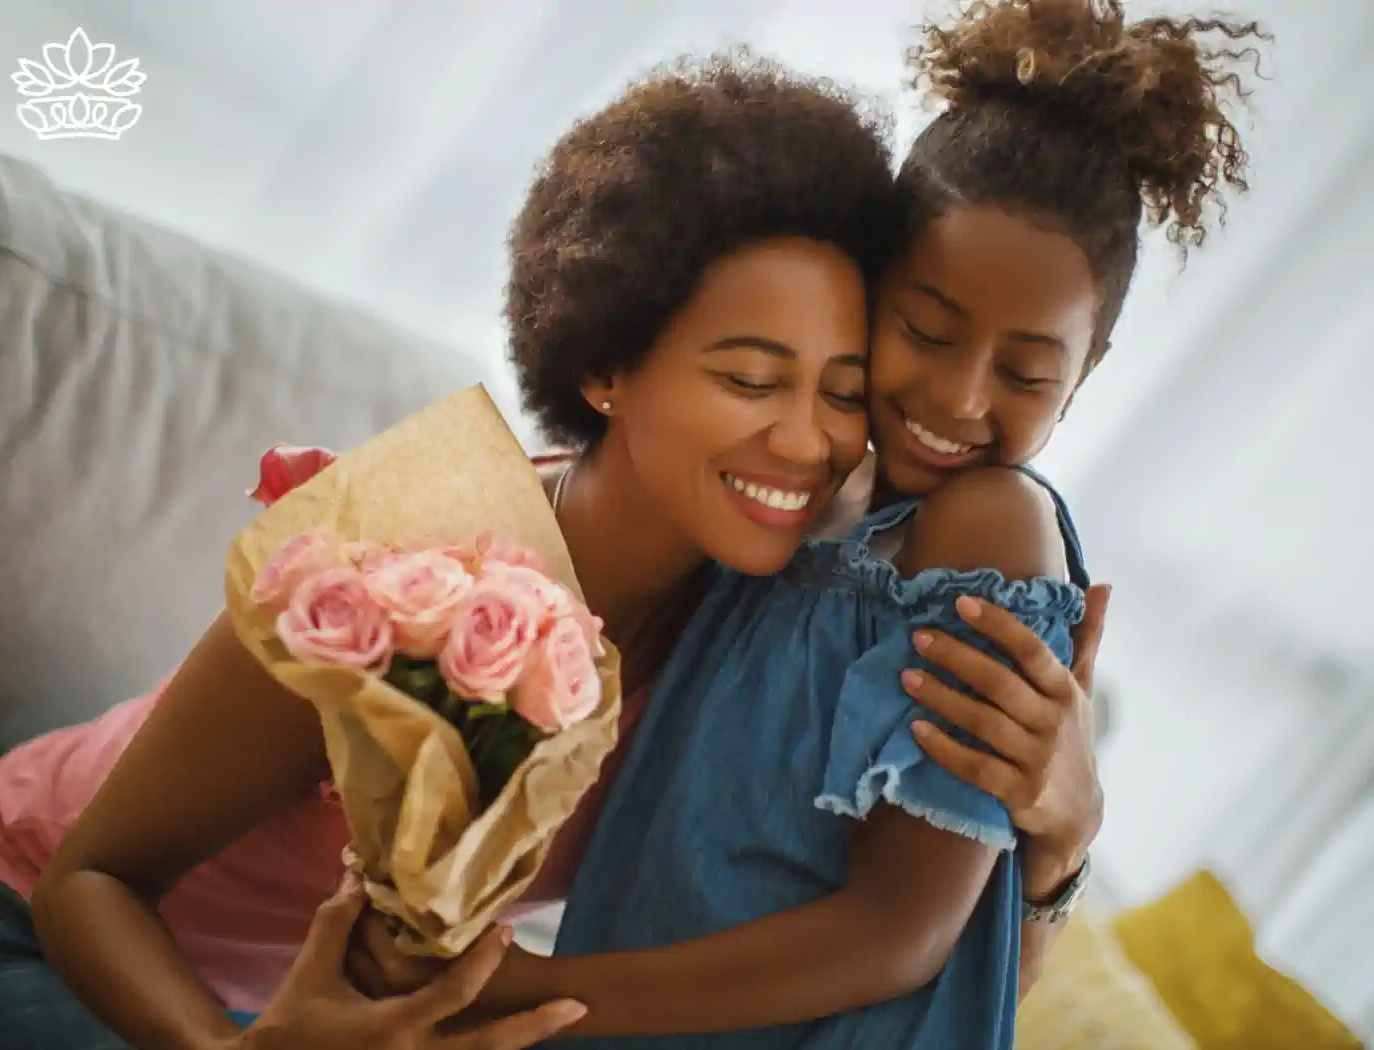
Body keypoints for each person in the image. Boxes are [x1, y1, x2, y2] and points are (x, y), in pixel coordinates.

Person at [0, 51, 1100, 1050]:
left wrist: (1054, 843)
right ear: (606, 366)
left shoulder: (762, 607)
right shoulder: (396, 560)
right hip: (27, 926)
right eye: (750, 380)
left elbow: (902, 943)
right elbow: (93, 879)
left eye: (839, 391)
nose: (807, 442)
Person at [359, 2, 1264, 1046]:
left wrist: (526, 992)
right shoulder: (796, 499)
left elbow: (897, 939)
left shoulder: (991, 529)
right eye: (923, 330)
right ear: (870, 286)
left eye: (1023, 370)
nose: (961, 399)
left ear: (1086, 370)